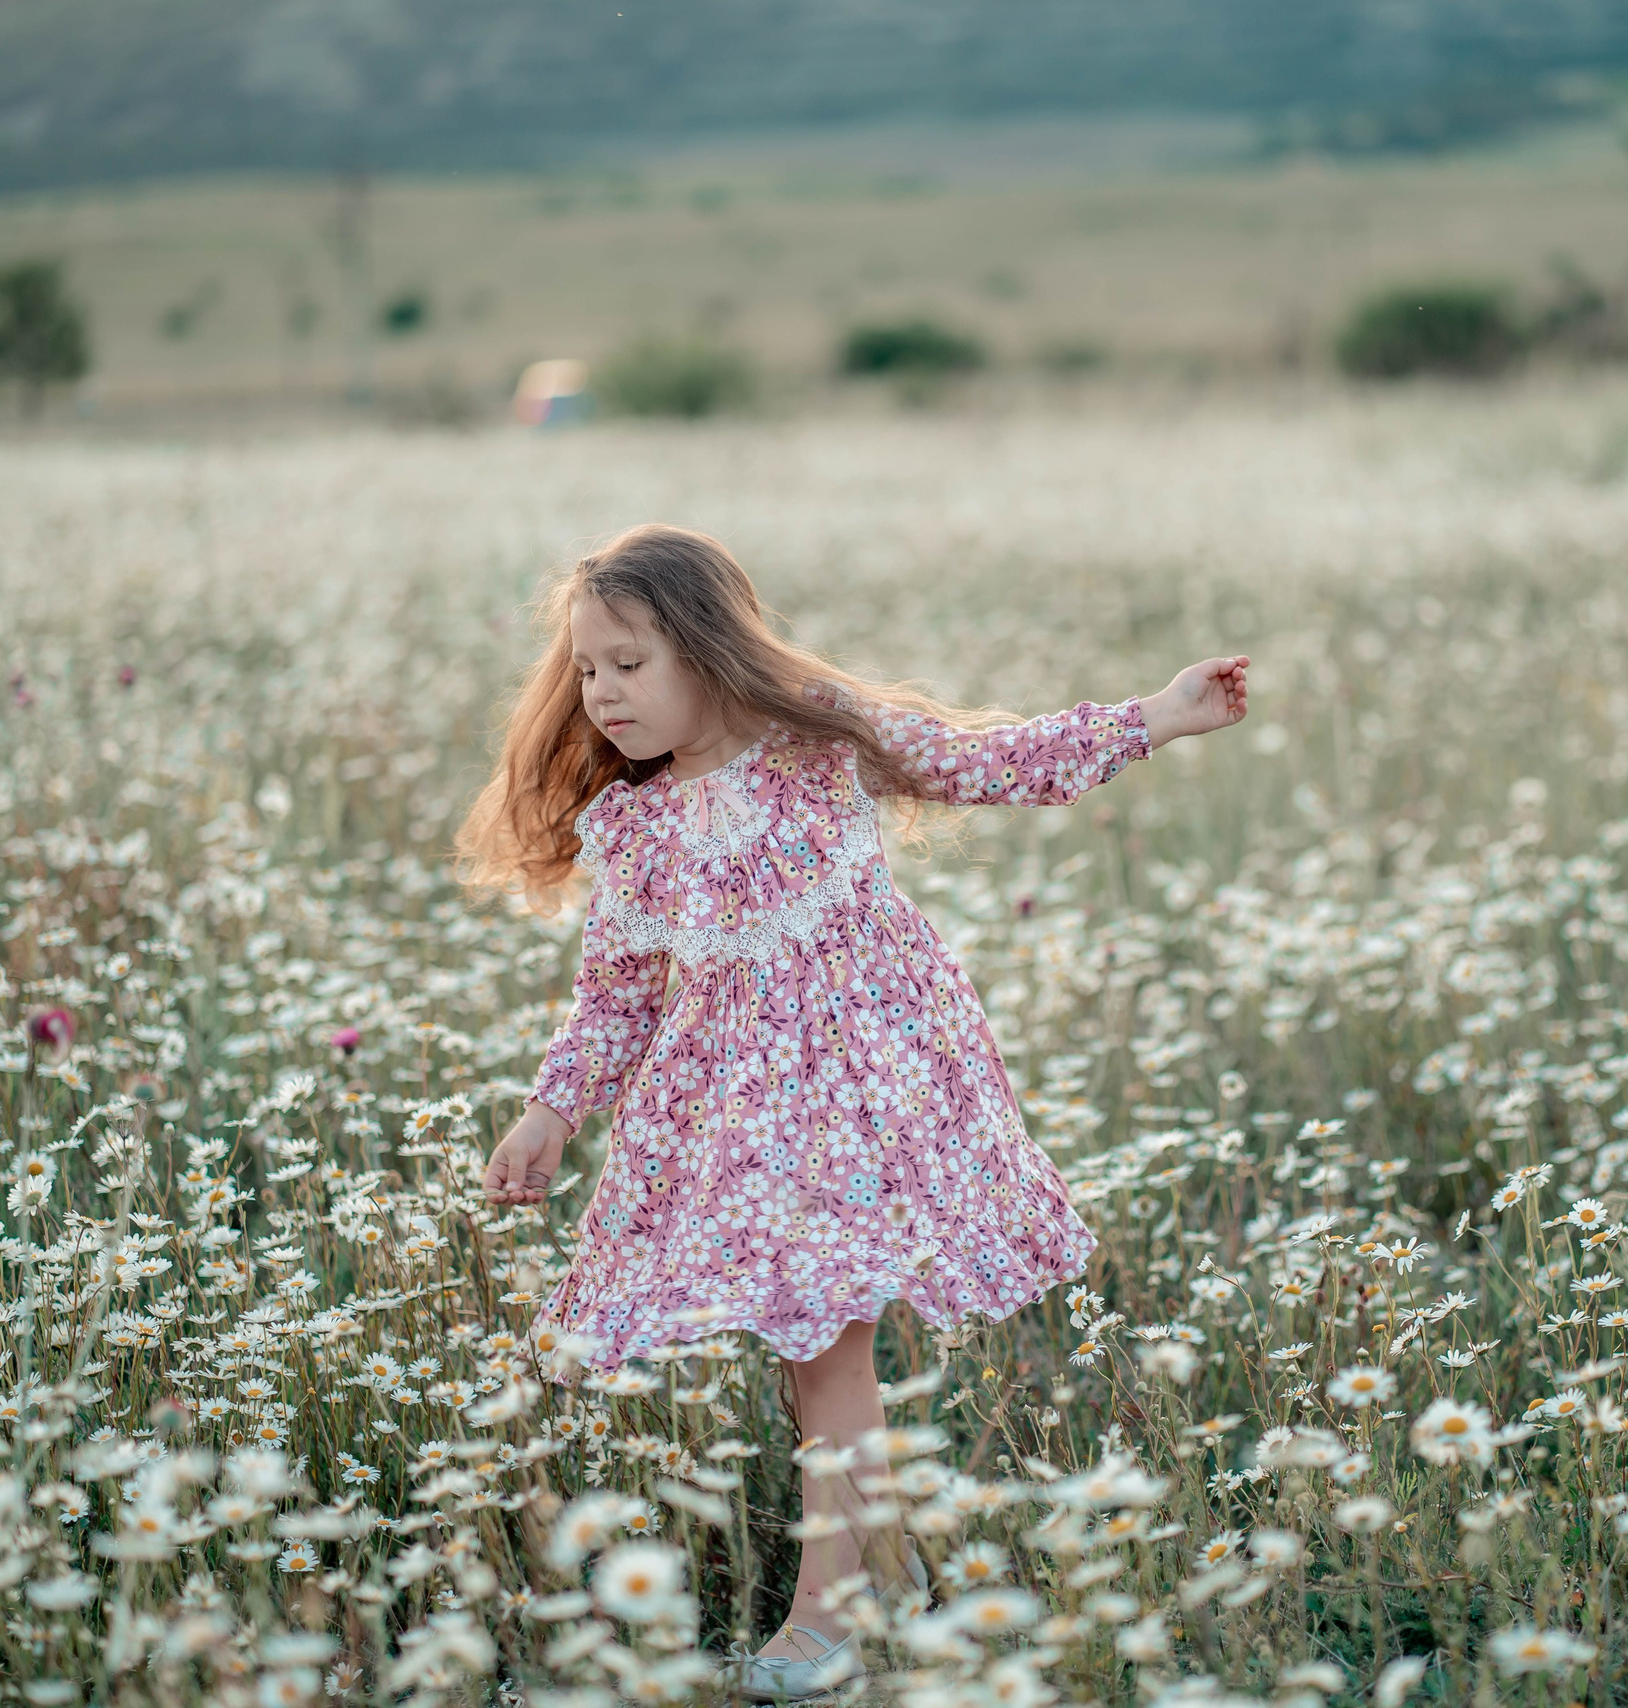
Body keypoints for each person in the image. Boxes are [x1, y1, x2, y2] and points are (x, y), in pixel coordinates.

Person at [460, 523, 1248, 1696]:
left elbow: (983, 762)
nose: (601, 693)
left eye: (629, 662)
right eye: (585, 668)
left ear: (708, 651)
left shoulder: (814, 741)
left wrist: (1154, 715)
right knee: (807, 1340)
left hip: (875, 1082)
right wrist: (550, 1114)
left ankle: (831, 1614)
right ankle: (882, 1564)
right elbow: (616, 1001)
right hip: (734, 1108)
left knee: (831, 1340)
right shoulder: (635, 828)